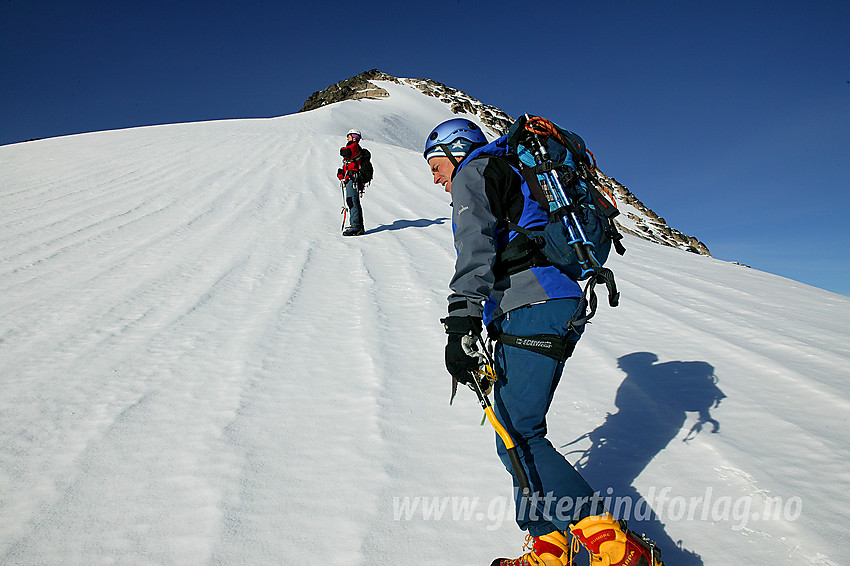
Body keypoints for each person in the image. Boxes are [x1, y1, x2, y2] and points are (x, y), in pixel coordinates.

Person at [424, 118, 662, 566]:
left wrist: (461, 322)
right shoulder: (512, 172)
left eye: (436, 165)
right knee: (515, 433)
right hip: (550, 304)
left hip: (534, 303)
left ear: (457, 151)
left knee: (520, 432)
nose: (436, 178)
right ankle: (549, 546)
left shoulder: (475, 171)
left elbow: (474, 248)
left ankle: (617, 550)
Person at [338, 128, 365, 236]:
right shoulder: (354, 147)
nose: (347, 138)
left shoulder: (354, 147)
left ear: (354, 137)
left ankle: (356, 225)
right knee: (352, 201)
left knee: (352, 201)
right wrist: (342, 174)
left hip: (353, 178)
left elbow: (345, 152)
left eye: (349, 136)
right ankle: (357, 225)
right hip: (350, 178)